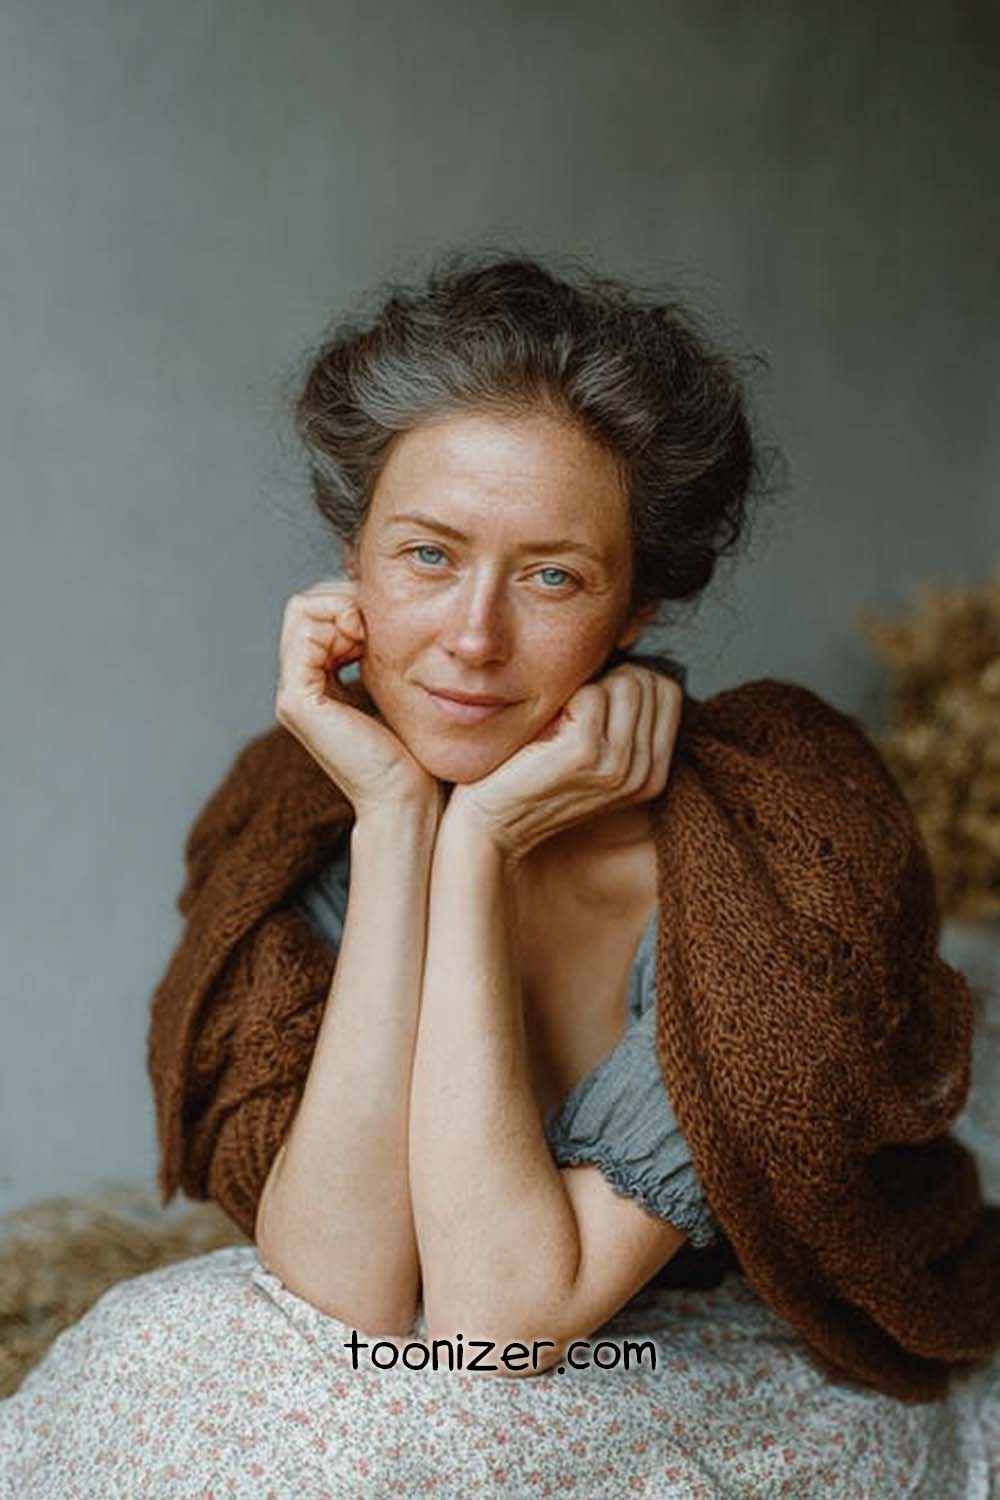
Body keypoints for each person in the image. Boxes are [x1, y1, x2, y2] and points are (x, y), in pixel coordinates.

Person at [2, 248, 998, 1497]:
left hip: (745, 1362)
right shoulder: (300, 808)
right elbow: (344, 1293)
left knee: (411, 1440)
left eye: (550, 577)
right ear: (352, 563)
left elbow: (498, 1321)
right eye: (425, 555)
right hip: (436, 1355)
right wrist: (397, 823)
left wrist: (478, 845)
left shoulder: (782, 841)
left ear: (634, 609)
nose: (472, 641)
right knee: (156, 1354)